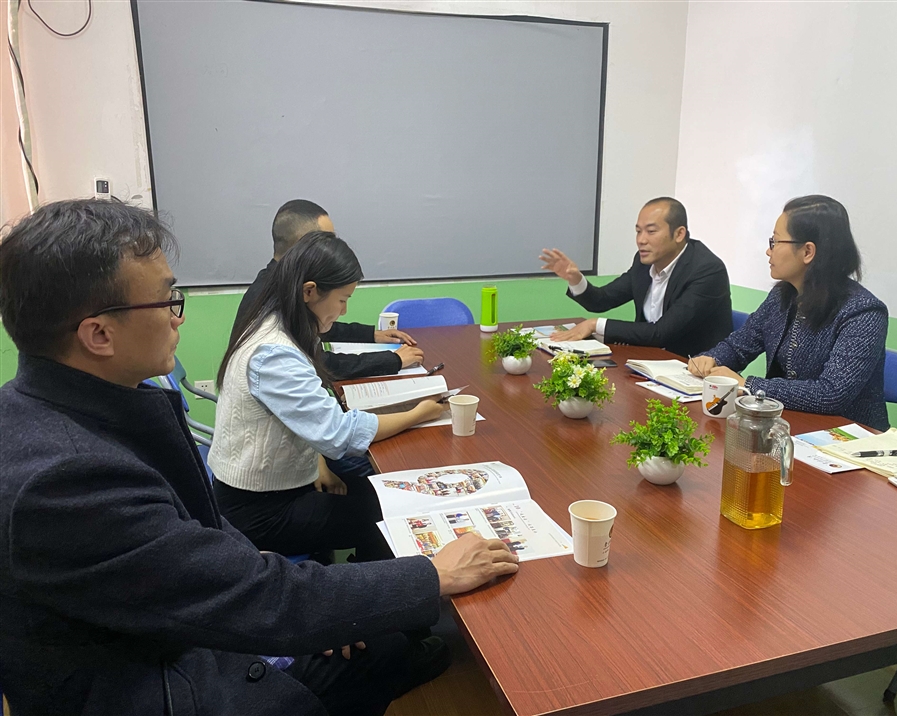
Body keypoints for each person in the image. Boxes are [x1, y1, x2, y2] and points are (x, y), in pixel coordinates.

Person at [0, 199, 519, 716]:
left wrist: (327, 610)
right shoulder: (66, 480)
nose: (179, 317)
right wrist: (432, 575)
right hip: (164, 682)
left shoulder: (61, 412)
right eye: (166, 301)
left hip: (172, 629)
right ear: (98, 334)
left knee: (368, 623)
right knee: (377, 642)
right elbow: (249, 599)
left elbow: (200, 549)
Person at [210, 231, 443, 561]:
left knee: (385, 488)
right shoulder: (275, 352)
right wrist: (419, 413)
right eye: (343, 299)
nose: (344, 310)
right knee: (389, 512)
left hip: (279, 488)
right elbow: (340, 435)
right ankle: (369, 585)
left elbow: (309, 417)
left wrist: (317, 463)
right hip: (258, 512)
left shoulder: (283, 322)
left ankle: (366, 570)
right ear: (309, 291)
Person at [689, 195, 889, 430]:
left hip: (845, 436)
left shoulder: (863, 312)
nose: (768, 251)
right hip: (785, 424)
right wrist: (712, 359)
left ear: (808, 252)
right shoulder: (782, 296)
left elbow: (831, 393)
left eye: (775, 242)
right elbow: (740, 345)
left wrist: (749, 385)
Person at [236, 199, 423, 379]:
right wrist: (392, 360)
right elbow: (322, 364)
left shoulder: (275, 282)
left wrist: (370, 335)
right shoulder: (273, 300)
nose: (333, 249)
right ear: (304, 247)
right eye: (325, 242)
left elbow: (316, 324)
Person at [539, 197, 733, 357]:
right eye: (638, 231)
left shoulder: (707, 270)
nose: (641, 240)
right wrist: (575, 279)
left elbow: (661, 333)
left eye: (651, 231)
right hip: (649, 359)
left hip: (695, 369)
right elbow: (601, 300)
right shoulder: (643, 263)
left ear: (679, 234)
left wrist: (594, 324)